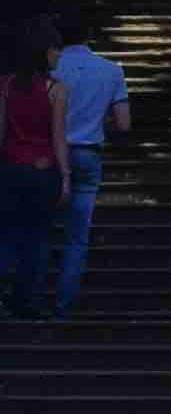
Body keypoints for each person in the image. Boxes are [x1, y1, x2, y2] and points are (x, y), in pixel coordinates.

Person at [40, 17, 118, 313]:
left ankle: (30, 294)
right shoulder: (112, 70)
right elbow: (123, 122)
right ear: (90, 34)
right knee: (77, 235)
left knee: (40, 227)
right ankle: (64, 304)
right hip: (87, 151)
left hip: (48, 152)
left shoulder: (49, 70)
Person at [0, 38, 60, 318]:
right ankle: (27, 300)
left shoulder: (5, 86)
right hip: (43, 169)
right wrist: (67, 176)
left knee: (7, 235)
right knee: (37, 238)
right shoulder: (55, 89)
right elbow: (58, 138)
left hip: (11, 167)